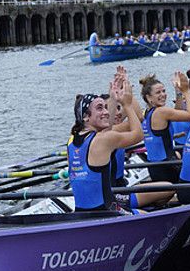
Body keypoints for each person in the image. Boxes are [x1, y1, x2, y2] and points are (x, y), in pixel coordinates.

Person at [67, 68, 173, 212]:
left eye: (106, 108)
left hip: (83, 211)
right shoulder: (104, 139)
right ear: (86, 116)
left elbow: (107, 128)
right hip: (109, 211)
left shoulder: (72, 140)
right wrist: (127, 104)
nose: (106, 112)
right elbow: (138, 134)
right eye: (100, 108)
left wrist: (113, 97)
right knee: (167, 190)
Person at [138, 73, 190, 183]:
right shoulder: (162, 112)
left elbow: (177, 111)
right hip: (168, 166)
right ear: (148, 97)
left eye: (164, 91)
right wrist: (186, 91)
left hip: (154, 168)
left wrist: (178, 92)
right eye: (158, 92)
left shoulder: (147, 113)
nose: (163, 94)